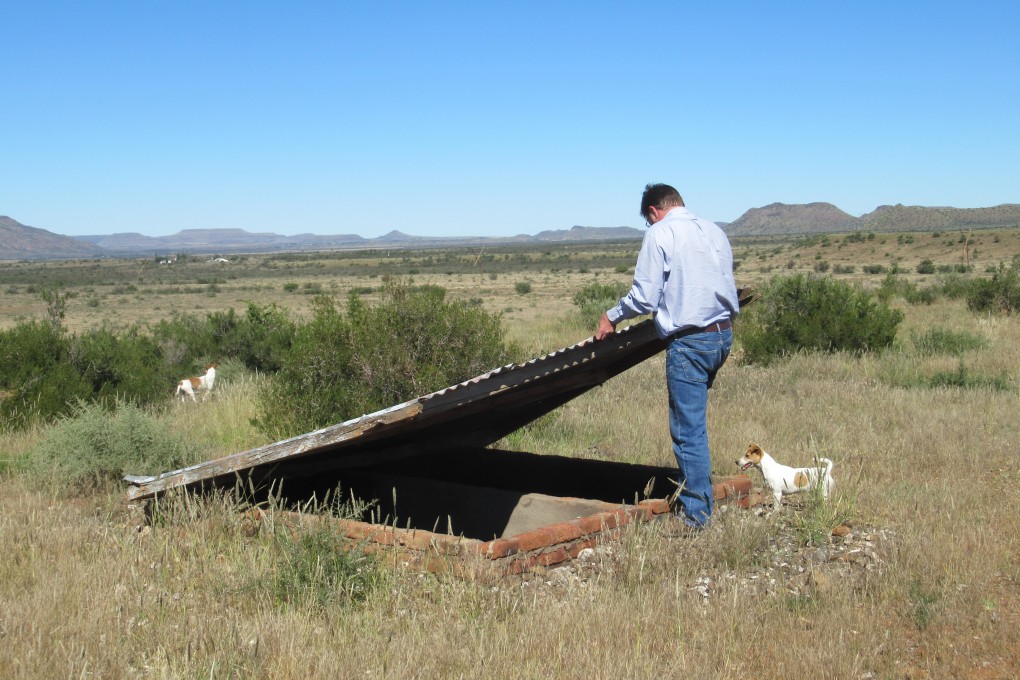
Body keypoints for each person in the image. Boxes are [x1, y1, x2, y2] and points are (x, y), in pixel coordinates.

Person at [596, 183, 739, 528]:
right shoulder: (714, 230)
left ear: (652, 212)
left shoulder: (660, 233)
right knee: (695, 425)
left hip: (690, 342)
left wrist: (612, 316)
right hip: (722, 336)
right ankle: (701, 498)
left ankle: (697, 517)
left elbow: (645, 298)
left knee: (687, 430)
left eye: (649, 219)